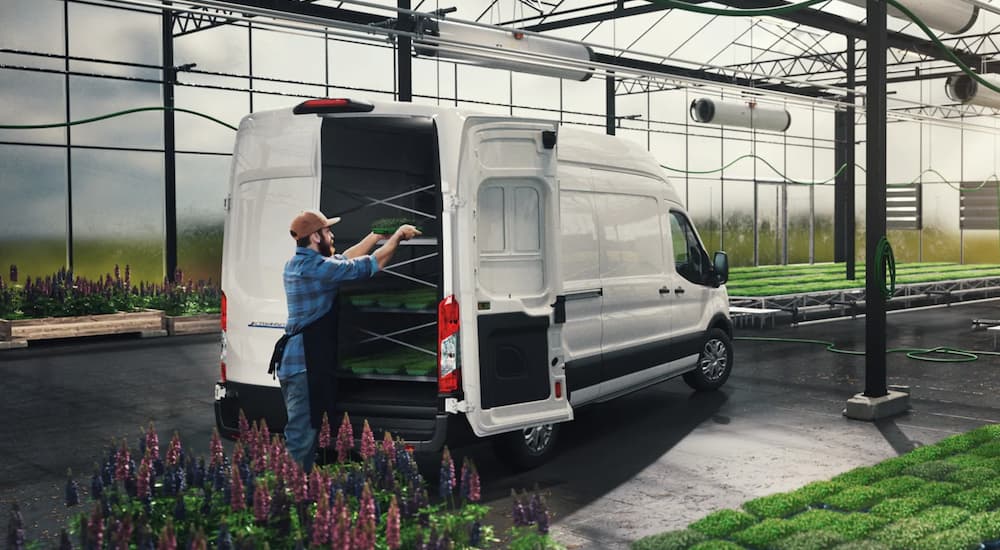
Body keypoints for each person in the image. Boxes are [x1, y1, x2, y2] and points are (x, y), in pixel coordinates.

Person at [278, 209, 420, 470]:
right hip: (304, 367)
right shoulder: (317, 269)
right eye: (328, 232)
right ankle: (291, 498)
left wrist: (375, 235)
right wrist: (398, 237)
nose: (332, 236)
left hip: (295, 364)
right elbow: (372, 264)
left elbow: (345, 259)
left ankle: (298, 489)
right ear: (315, 237)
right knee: (301, 437)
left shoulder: (298, 263)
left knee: (303, 433)